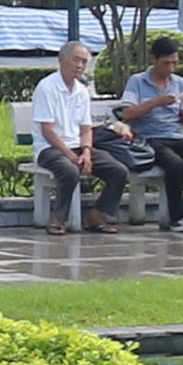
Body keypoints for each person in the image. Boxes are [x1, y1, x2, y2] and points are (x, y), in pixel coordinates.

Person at [116, 35, 183, 231]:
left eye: (175, 63)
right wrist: (155, 102)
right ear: (154, 60)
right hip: (149, 137)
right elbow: (126, 114)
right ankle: (176, 217)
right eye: (166, 63)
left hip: (176, 136)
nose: (171, 68)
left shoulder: (179, 83)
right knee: (174, 164)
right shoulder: (137, 81)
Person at [32, 40, 122, 233]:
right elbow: (48, 131)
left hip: (78, 147)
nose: (80, 66)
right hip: (50, 148)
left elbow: (86, 129)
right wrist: (71, 156)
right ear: (62, 60)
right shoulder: (46, 87)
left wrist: (87, 153)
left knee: (118, 171)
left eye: (84, 62)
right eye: (76, 60)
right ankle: (58, 218)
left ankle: (95, 215)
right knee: (69, 171)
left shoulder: (82, 91)